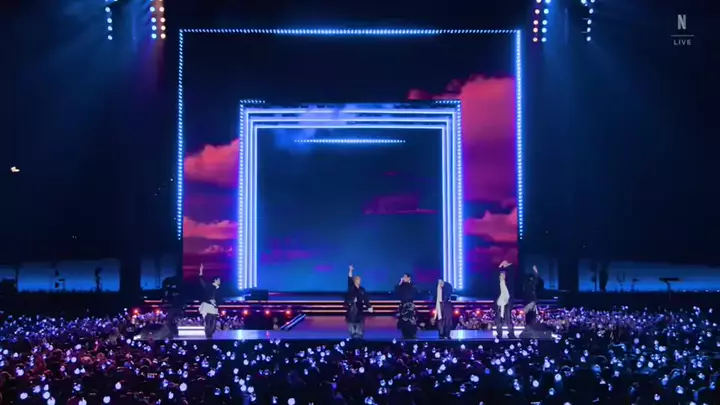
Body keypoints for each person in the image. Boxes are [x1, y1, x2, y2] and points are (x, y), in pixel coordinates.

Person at [345, 265, 373, 339]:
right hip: (352, 308)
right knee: (351, 323)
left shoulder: (362, 289)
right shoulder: (351, 287)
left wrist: (369, 307)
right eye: (357, 280)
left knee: (360, 323)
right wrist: (350, 270)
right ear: (355, 281)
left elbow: (365, 299)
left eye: (359, 280)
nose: (359, 281)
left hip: (359, 308)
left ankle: (359, 335)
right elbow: (349, 278)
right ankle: (352, 335)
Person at [198, 263, 221, 339]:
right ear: (215, 280)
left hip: (214, 307)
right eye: (219, 280)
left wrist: (217, 303)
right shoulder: (209, 286)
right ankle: (208, 337)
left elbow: (219, 299)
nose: (220, 281)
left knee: (213, 324)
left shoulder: (219, 289)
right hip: (208, 306)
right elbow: (202, 281)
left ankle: (210, 336)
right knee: (208, 322)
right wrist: (201, 271)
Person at [495, 261, 515, 339]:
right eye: (501, 275)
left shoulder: (509, 283)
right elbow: (496, 272)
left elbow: (512, 270)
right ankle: (499, 334)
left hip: (507, 302)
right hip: (500, 303)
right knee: (499, 320)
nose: (502, 276)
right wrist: (500, 265)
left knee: (508, 319)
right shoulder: (497, 284)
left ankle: (511, 334)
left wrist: (507, 264)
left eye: (503, 275)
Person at [395, 273, 417, 339]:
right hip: (403, 305)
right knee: (403, 321)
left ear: (408, 278)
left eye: (405, 277)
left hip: (410, 305)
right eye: (403, 277)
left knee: (411, 321)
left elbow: (414, 293)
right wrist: (400, 282)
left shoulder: (412, 286)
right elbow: (396, 290)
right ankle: (404, 334)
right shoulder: (401, 286)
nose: (403, 278)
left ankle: (412, 334)